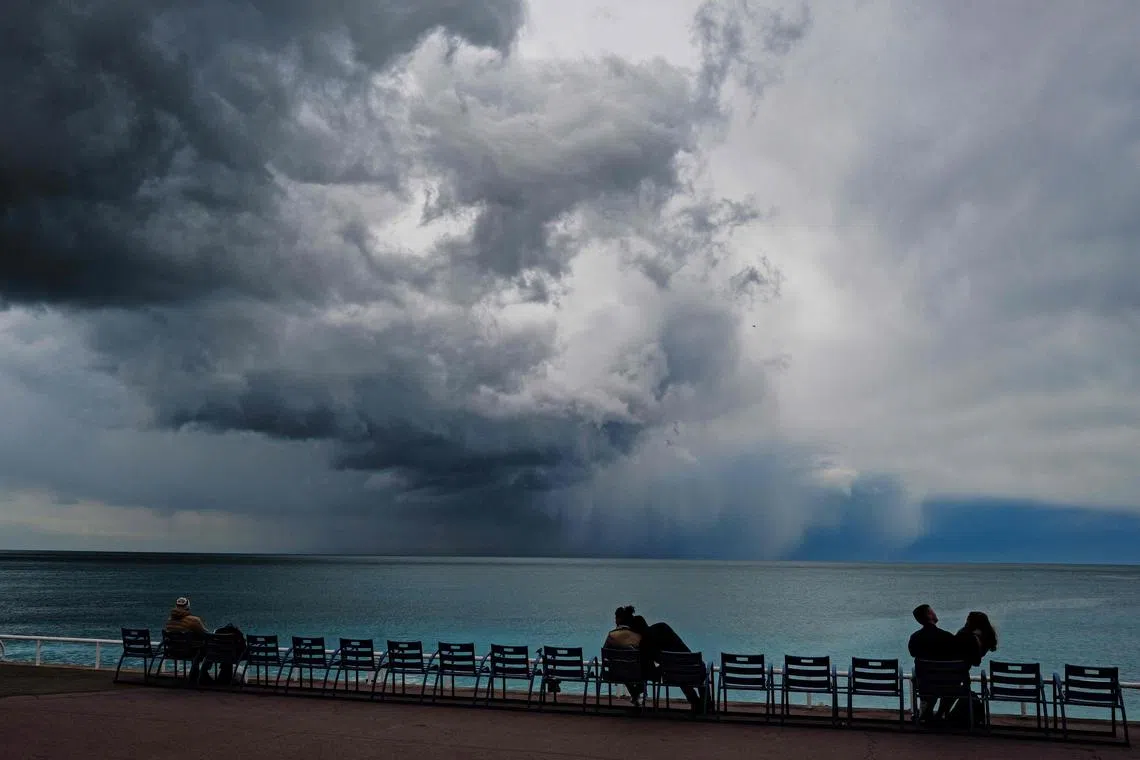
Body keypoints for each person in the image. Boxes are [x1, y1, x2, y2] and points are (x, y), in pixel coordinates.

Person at [617, 606, 708, 714]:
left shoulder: (645, 646)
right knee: (696, 671)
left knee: (677, 672)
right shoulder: (662, 627)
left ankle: (695, 702)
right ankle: (706, 704)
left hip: (671, 673)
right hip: (694, 668)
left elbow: (648, 669)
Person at [908, 603, 958, 723]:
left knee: (924, 677)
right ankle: (940, 714)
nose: (935, 613)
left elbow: (913, 653)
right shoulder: (946, 637)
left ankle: (928, 712)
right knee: (956, 685)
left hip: (925, 683)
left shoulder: (915, 638)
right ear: (929, 615)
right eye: (933, 611)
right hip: (946, 683)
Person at [163, 597, 208, 681]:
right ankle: (202, 674)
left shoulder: (169, 620)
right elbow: (206, 634)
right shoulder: (193, 620)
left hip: (172, 651)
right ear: (188, 607)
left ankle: (198, 674)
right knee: (207, 650)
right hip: (187, 652)